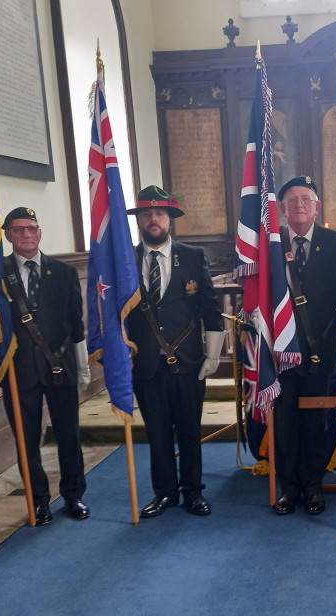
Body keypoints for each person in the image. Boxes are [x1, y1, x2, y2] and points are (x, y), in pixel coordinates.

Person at [125, 186, 224, 518]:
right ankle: (165, 493)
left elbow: (210, 310)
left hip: (188, 362)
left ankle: (193, 492)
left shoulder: (193, 256)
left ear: (170, 219)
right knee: (157, 433)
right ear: (139, 220)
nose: (154, 219)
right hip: (146, 364)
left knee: (189, 429)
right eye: (147, 214)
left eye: (160, 214)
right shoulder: (125, 260)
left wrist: (213, 356)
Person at [272, 176, 336, 515]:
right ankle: (288, 488)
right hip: (280, 350)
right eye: (291, 200)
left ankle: (312, 486)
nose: (299, 205)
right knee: (284, 422)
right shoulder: (271, 245)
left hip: (320, 349)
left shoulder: (335, 243)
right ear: (282, 208)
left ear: (317, 206)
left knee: (316, 421)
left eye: (305, 199)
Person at [0, 207, 90, 526]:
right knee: (26, 440)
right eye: (19, 229)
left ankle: (73, 494)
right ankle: (38, 500)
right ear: (8, 235)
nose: (26, 235)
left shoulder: (63, 273)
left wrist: (82, 367)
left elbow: (75, 324)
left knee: (68, 434)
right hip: (17, 370)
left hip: (59, 366)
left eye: (32, 228)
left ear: (39, 233)